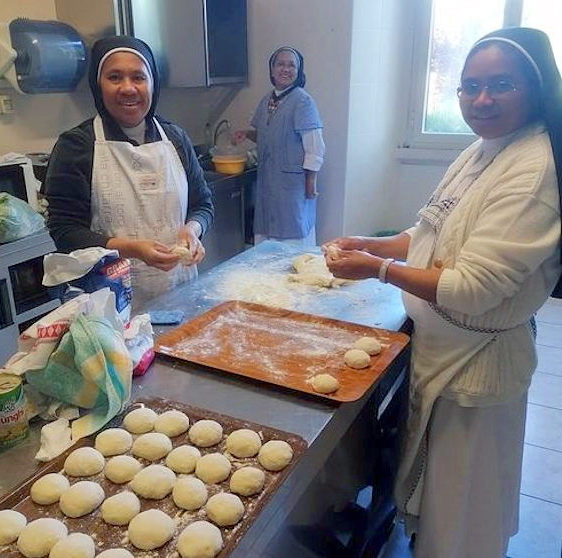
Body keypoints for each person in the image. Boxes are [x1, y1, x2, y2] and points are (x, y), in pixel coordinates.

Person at [324, 27, 562, 558]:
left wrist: (379, 270)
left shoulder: (532, 169)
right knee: (440, 505)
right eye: (469, 87)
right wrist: (373, 242)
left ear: (536, 88)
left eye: (501, 85)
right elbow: (430, 232)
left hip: (474, 368)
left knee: (463, 517)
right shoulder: (485, 149)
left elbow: (473, 287)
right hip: (443, 352)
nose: (481, 100)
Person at [44, 36, 213, 310]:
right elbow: (64, 231)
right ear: (98, 86)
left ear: (152, 83)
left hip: (180, 291)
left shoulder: (175, 138)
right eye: (114, 77)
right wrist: (133, 249)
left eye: (138, 77)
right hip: (110, 303)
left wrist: (194, 230)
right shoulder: (77, 146)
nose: (128, 88)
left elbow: (202, 204)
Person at [234, 46, 325, 247]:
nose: (285, 69)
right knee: (267, 242)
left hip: (293, 188)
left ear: (298, 71)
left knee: (293, 243)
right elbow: (270, 136)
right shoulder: (267, 100)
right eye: (280, 64)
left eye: (291, 65)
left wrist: (310, 186)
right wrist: (248, 134)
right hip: (268, 183)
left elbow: (315, 148)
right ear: (272, 70)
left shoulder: (303, 101)